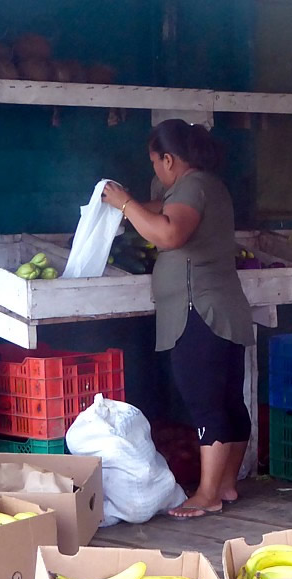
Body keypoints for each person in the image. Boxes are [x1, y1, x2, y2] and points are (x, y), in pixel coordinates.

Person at [102, 120, 253, 519]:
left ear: (169, 159)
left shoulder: (193, 185)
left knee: (205, 401)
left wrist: (124, 204)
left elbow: (169, 234)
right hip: (221, 308)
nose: (156, 171)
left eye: (155, 162)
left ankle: (207, 494)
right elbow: (163, 211)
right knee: (227, 399)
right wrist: (127, 206)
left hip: (198, 310)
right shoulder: (202, 187)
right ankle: (226, 484)